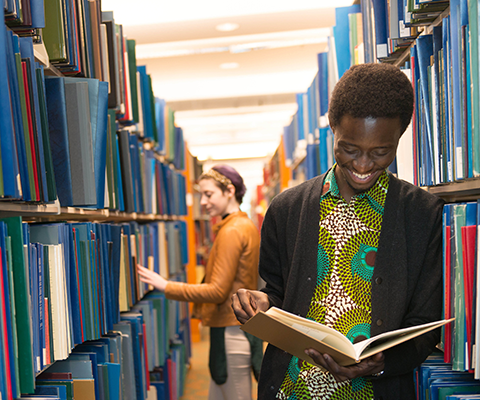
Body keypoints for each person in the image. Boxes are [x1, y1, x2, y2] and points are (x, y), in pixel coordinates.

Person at [231, 63, 444, 400]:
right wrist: (261, 303)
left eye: (380, 153)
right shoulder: (286, 208)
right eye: (349, 149)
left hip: (373, 392)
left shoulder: (422, 214)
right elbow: (278, 294)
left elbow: (424, 320)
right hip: (293, 389)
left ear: (399, 138)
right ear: (332, 127)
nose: (362, 165)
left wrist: (382, 363)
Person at [137, 164, 262, 400]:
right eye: (200, 195)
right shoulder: (241, 225)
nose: (203, 202)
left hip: (230, 331)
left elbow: (217, 291)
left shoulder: (232, 230)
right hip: (231, 328)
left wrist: (166, 286)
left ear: (229, 191)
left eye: (208, 194)